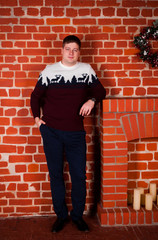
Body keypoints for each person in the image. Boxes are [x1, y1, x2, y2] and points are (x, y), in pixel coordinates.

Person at [30, 35, 106, 233]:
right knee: (56, 175)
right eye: (67, 49)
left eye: (75, 49)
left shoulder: (86, 70)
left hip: (75, 134)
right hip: (52, 132)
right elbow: (35, 96)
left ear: (79, 52)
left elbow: (101, 92)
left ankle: (77, 216)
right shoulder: (49, 71)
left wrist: (91, 100)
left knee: (79, 176)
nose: (71, 53)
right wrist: (37, 121)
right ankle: (61, 216)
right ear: (62, 50)